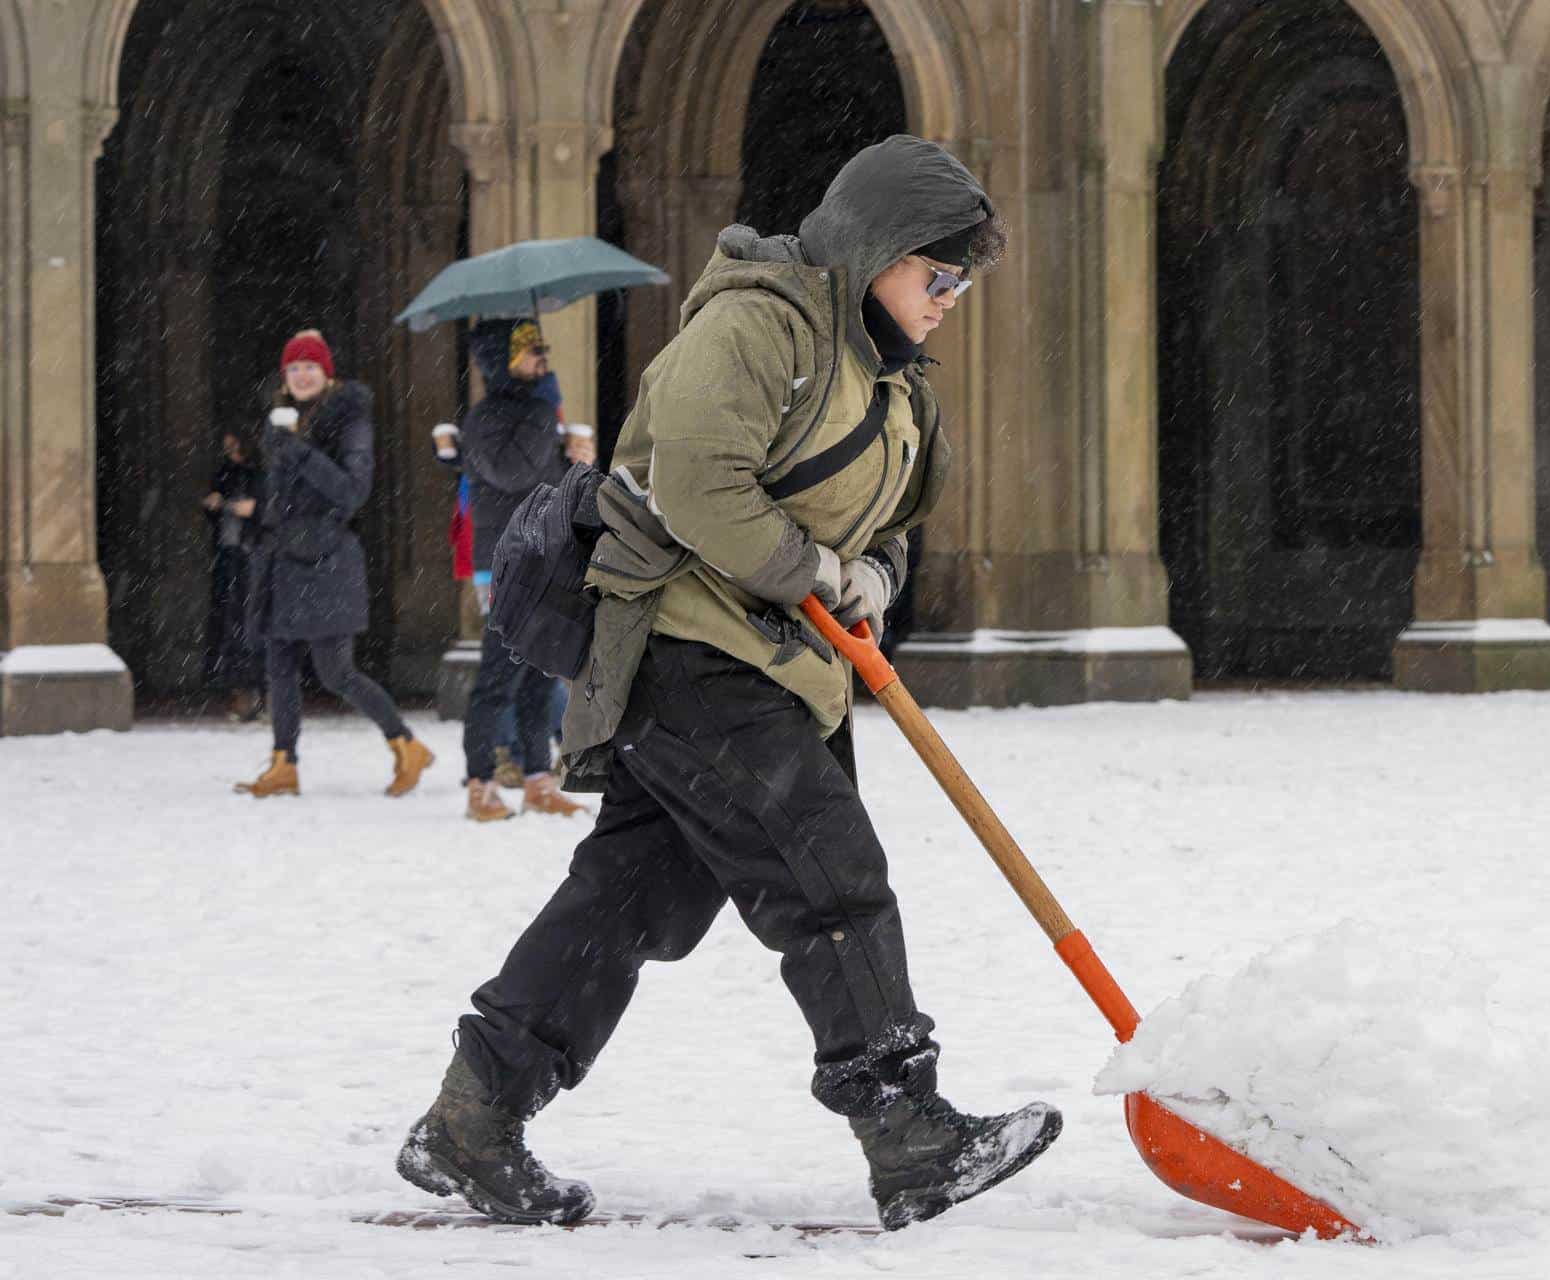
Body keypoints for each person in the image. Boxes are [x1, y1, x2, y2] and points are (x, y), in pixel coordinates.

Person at [397, 136, 1060, 1231]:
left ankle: (474, 1114)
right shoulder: (758, 326)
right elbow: (699, 483)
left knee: (634, 899)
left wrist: (872, 580)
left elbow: (890, 525)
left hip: (783, 667)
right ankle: (906, 1128)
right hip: (689, 651)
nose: (950, 300)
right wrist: (813, 572)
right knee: (827, 867)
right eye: (936, 275)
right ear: (874, 250)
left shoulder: (892, 379)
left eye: (963, 282)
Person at [234, 330, 436, 799]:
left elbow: (351, 491)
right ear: (283, 379)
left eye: (310, 367)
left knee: (336, 672)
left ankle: (407, 744)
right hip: (282, 559)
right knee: (279, 666)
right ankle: (284, 763)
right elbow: (284, 495)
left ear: (327, 375)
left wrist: (296, 451)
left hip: (326, 561)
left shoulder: (349, 419)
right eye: (293, 368)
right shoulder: (283, 425)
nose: (302, 375)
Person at [456, 319, 593, 822]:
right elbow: (513, 474)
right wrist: (546, 424)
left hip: (542, 560)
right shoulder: (486, 417)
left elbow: (551, 490)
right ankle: (480, 785)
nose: (544, 356)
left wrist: (575, 460)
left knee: (538, 676)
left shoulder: (537, 414)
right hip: (503, 567)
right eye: (531, 349)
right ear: (502, 359)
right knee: (497, 677)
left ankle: (537, 780)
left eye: (543, 347)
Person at [202, 430, 264, 721]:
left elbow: (274, 509)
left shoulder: (261, 474)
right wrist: (215, 505)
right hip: (229, 552)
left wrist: (254, 510)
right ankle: (237, 691)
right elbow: (215, 506)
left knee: (250, 623)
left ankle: (255, 693)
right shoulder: (225, 473)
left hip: (251, 552)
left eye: (234, 444)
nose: (229, 450)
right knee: (230, 621)